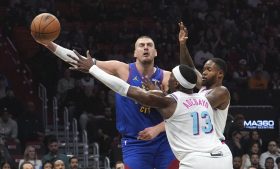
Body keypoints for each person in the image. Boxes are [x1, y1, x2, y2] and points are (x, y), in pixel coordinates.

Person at [68, 52, 233, 168]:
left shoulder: (170, 102)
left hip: (196, 161)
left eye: (172, 79)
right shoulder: (204, 98)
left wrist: (92, 68)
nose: (169, 80)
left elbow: (125, 88)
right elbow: (188, 92)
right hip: (223, 155)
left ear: (176, 84)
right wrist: (157, 92)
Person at [35, 36, 177, 169]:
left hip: (164, 141)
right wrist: (49, 44)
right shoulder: (121, 69)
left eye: (149, 45)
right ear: (135, 52)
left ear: (156, 52)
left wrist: (157, 129)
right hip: (134, 142)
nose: (145, 48)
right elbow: (81, 60)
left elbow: (181, 113)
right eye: (141, 45)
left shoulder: (167, 77)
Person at [178, 22, 230, 142]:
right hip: (200, 143)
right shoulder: (203, 87)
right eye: (204, 69)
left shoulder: (222, 92)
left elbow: (199, 106)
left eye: (209, 70)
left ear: (220, 74)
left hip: (214, 144)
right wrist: (182, 45)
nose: (204, 72)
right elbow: (188, 69)